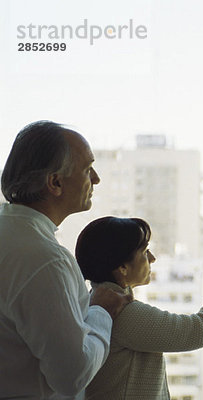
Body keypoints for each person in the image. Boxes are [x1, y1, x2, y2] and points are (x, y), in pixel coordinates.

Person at [0, 121, 132, 399]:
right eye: (87, 169)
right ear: (55, 182)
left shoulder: (10, 233)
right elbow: (72, 376)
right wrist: (101, 311)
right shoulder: (44, 259)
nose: (96, 179)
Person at [75, 215, 203, 399]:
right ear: (122, 267)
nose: (152, 258)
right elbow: (200, 329)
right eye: (144, 251)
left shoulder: (95, 304)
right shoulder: (123, 314)